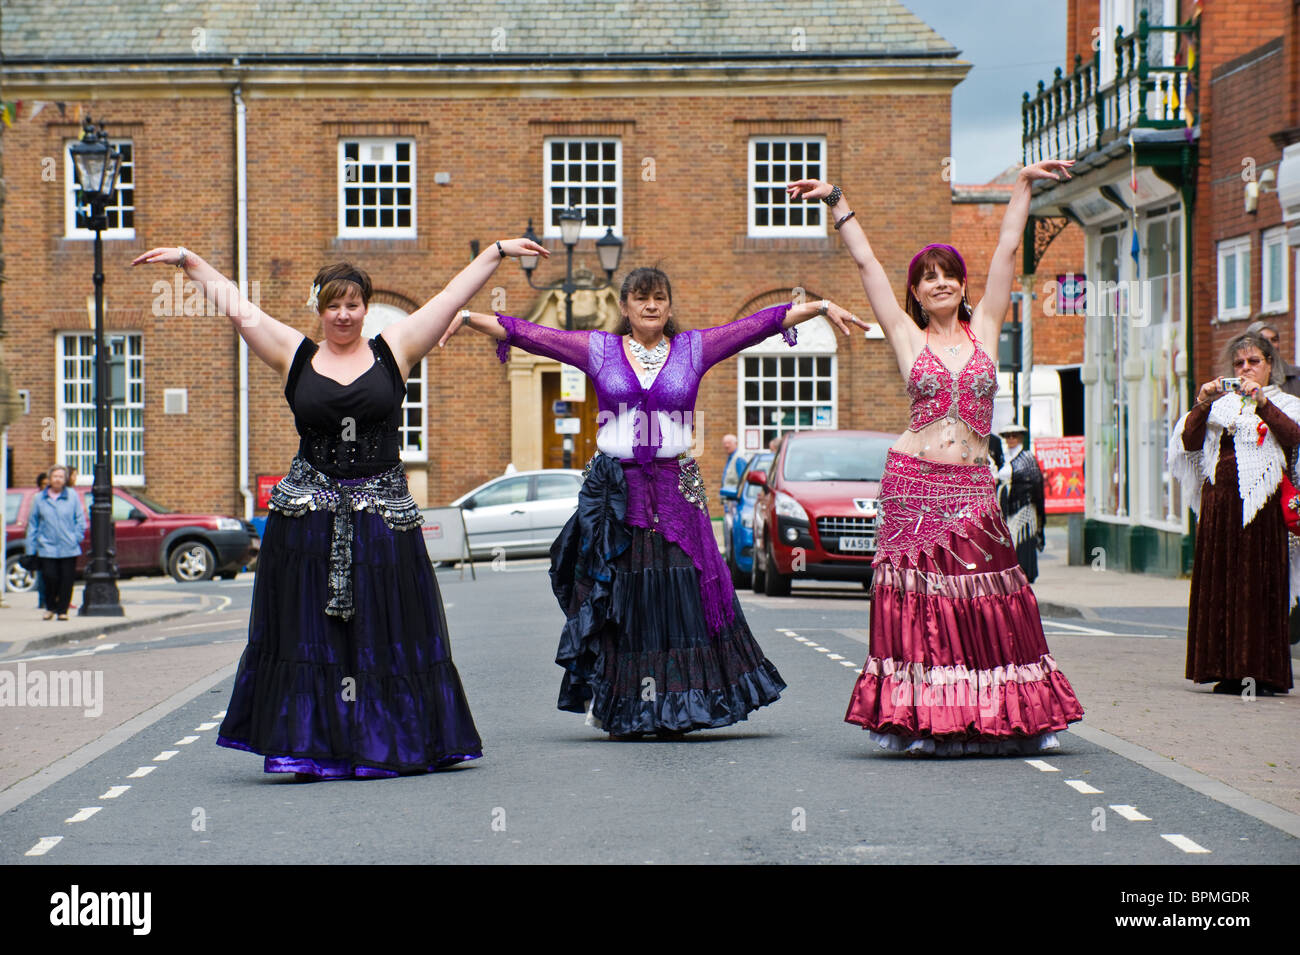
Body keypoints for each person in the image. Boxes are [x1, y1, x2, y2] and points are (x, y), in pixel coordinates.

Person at [132, 238, 547, 777]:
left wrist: (494, 253)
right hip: (307, 521)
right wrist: (191, 262)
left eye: (353, 304)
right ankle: (308, 744)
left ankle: (387, 741)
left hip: (382, 519)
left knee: (384, 630)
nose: (344, 314)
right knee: (310, 633)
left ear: (366, 308)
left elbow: (448, 297)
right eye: (334, 305)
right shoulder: (292, 353)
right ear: (320, 308)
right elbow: (238, 307)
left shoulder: (393, 348)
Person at [443, 267, 866, 737]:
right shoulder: (599, 350)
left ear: (668, 306)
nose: (650, 306)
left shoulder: (693, 350)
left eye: (659, 298)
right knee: (628, 593)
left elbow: (758, 325)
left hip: (674, 485)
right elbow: (532, 334)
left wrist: (821, 307)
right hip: (618, 490)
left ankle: (685, 700)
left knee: (684, 588)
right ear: (624, 307)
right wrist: (464, 316)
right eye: (641, 298)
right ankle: (631, 704)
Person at [789, 163, 1084, 755]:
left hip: (972, 483)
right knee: (922, 601)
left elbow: (1006, 252)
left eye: (949, 275)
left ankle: (1010, 712)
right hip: (913, 485)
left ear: (961, 285)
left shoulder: (988, 330)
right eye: (928, 279)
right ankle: (921, 716)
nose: (940, 284)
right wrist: (837, 201)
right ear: (916, 293)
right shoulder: (905, 335)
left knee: (993, 592)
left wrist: (1023, 186)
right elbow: (868, 265)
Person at [1167, 332, 1299, 696]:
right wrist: (1203, 401)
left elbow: (1292, 437)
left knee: (1257, 586)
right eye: (1239, 363)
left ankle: (1261, 672)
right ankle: (1223, 669)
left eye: (1253, 362)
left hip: (1262, 511)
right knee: (1221, 585)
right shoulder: (1221, 404)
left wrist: (1262, 405)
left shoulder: (1284, 402)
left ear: (1270, 366)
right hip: (1219, 509)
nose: (1245, 369)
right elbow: (1190, 442)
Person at [25, 464, 85, 621]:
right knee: (49, 578)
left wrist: (76, 537)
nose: (58, 479)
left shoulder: (72, 496)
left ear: (64, 480)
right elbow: (33, 523)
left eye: (61, 477)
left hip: (68, 546)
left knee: (66, 580)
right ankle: (50, 607)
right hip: (47, 546)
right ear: (50, 479)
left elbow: (80, 520)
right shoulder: (39, 498)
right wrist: (31, 549)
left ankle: (62, 610)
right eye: (55, 476)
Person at [996, 424, 1046, 583]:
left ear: (1021, 438)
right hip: (1007, 504)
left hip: (1023, 504)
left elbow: (1035, 481)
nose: (1011, 439)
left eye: (1014, 436)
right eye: (1008, 436)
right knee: (1010, 537)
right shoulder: (1005, 457)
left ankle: (1026, 570)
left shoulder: (1027, 457)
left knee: (1023, 537)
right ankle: (1012, 571)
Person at [1247, 321, 1300, 399]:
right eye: (1264, 340)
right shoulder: (1241, 374)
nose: (1270, 344)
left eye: (1274, 340)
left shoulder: (1296, 375)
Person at [720, 433, 747, 508]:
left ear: (736, 444)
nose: (726, 446)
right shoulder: (731, 457)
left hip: (736, 502)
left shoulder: (739, 459)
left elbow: (743, 482)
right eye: (725, 443)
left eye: (729, 443)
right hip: (729, 501)